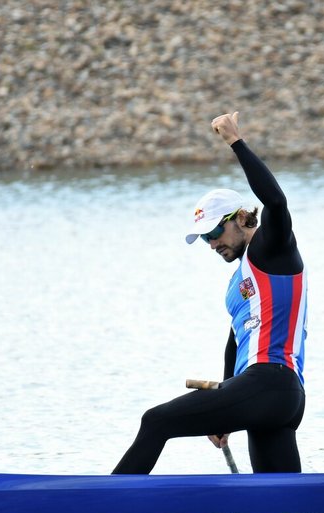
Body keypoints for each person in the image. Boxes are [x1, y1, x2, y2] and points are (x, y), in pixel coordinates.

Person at [112, 111, 307, 474]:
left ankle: (101, 504)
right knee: (279, 506)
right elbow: (236, 340)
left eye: (215, 232)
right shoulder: (244, 278)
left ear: (241, 219)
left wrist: (235, 142)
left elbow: (277, 203)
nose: (212, 243)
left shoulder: (271, 249)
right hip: (277, 397)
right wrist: (224, 395)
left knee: (156, 421)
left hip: (270, 383)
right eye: (204, 238)